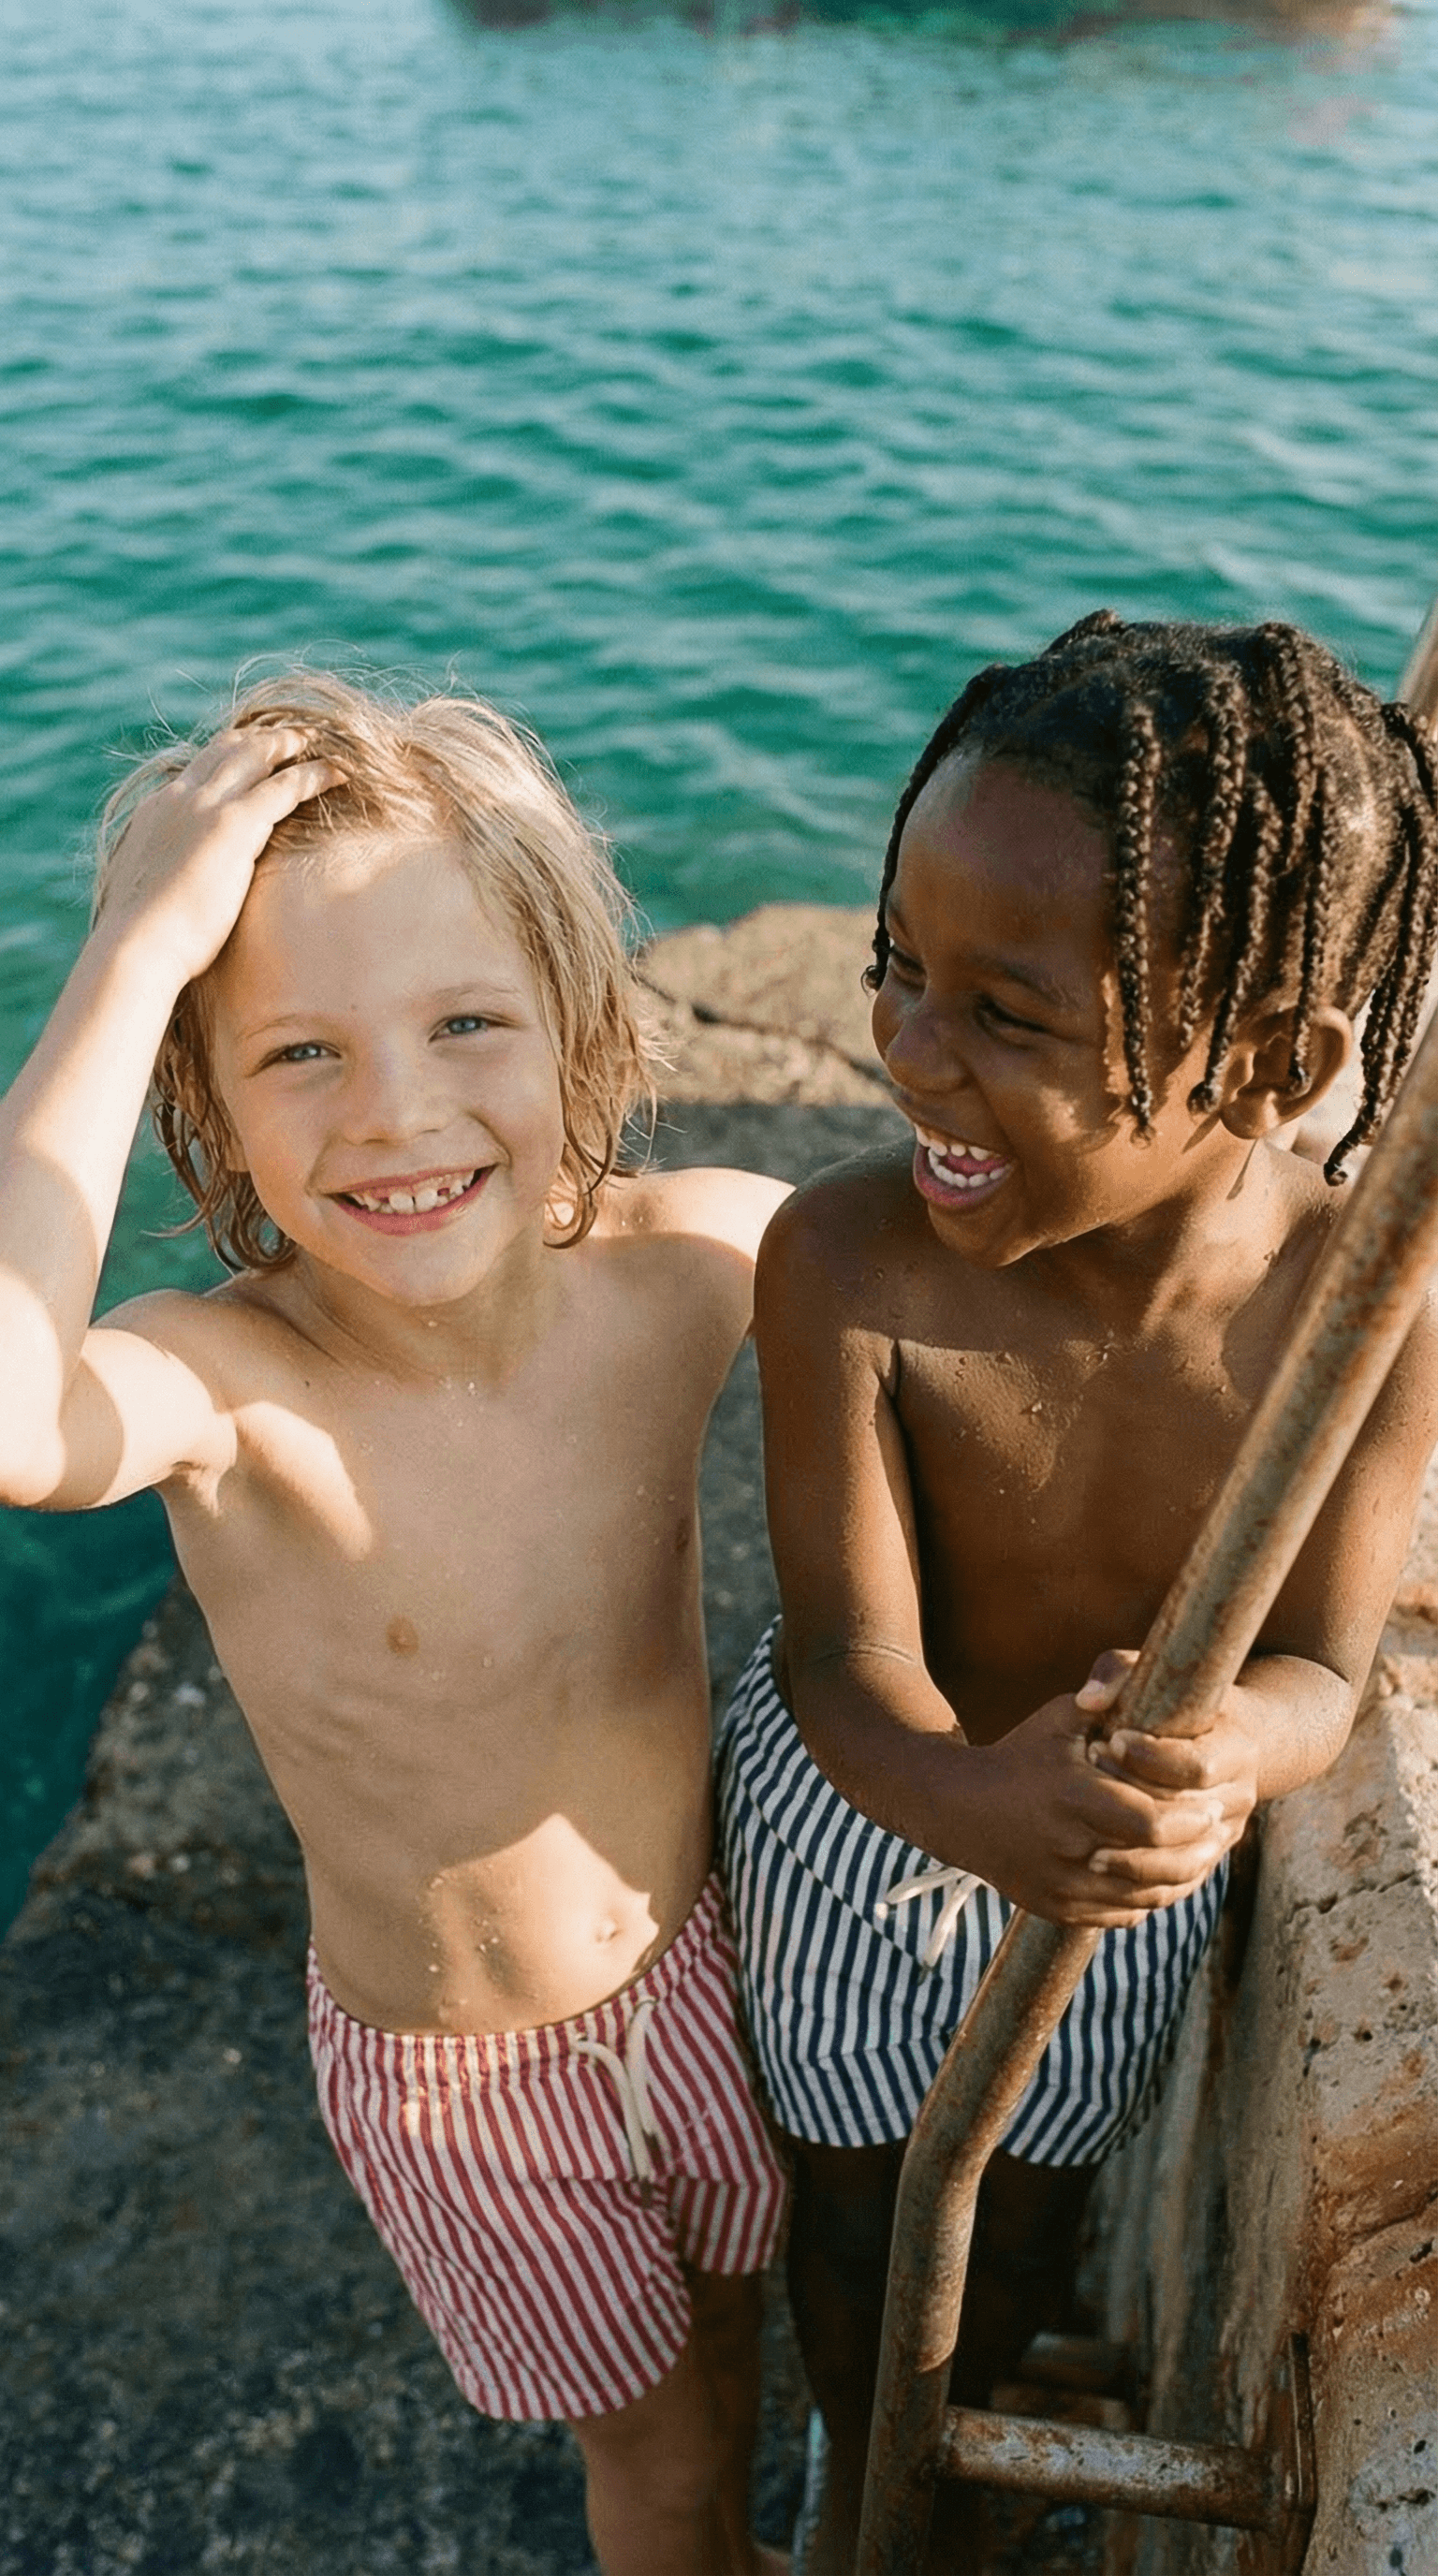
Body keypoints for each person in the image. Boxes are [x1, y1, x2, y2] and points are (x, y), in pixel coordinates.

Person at [0, 674, 792, 2576]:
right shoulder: (233, 1389)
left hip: (718, 1976)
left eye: (464, 1022)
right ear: (201, 1102)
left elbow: (1005, 1313)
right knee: (658, 2470)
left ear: (581, 1025)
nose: (400, 1111)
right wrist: (139, 945)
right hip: (466, 2082)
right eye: (300, 1053)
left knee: (746, 2365)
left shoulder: (694, 1261)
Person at [715, 612, 1438, 2571]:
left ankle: (957, 2468)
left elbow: (1326, 1666)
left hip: (1119, 1866)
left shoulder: (1363, 1321)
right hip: (858, 1817)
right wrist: (972, 1801)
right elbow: (840, 1652)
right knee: (849, 2202)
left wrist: (1225, 1759)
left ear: (1270, 1064)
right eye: (896, 966)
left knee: (1024, 2208)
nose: (907, 1049)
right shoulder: (844, 1259)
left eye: (1005, 1016)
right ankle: (864, 2472)